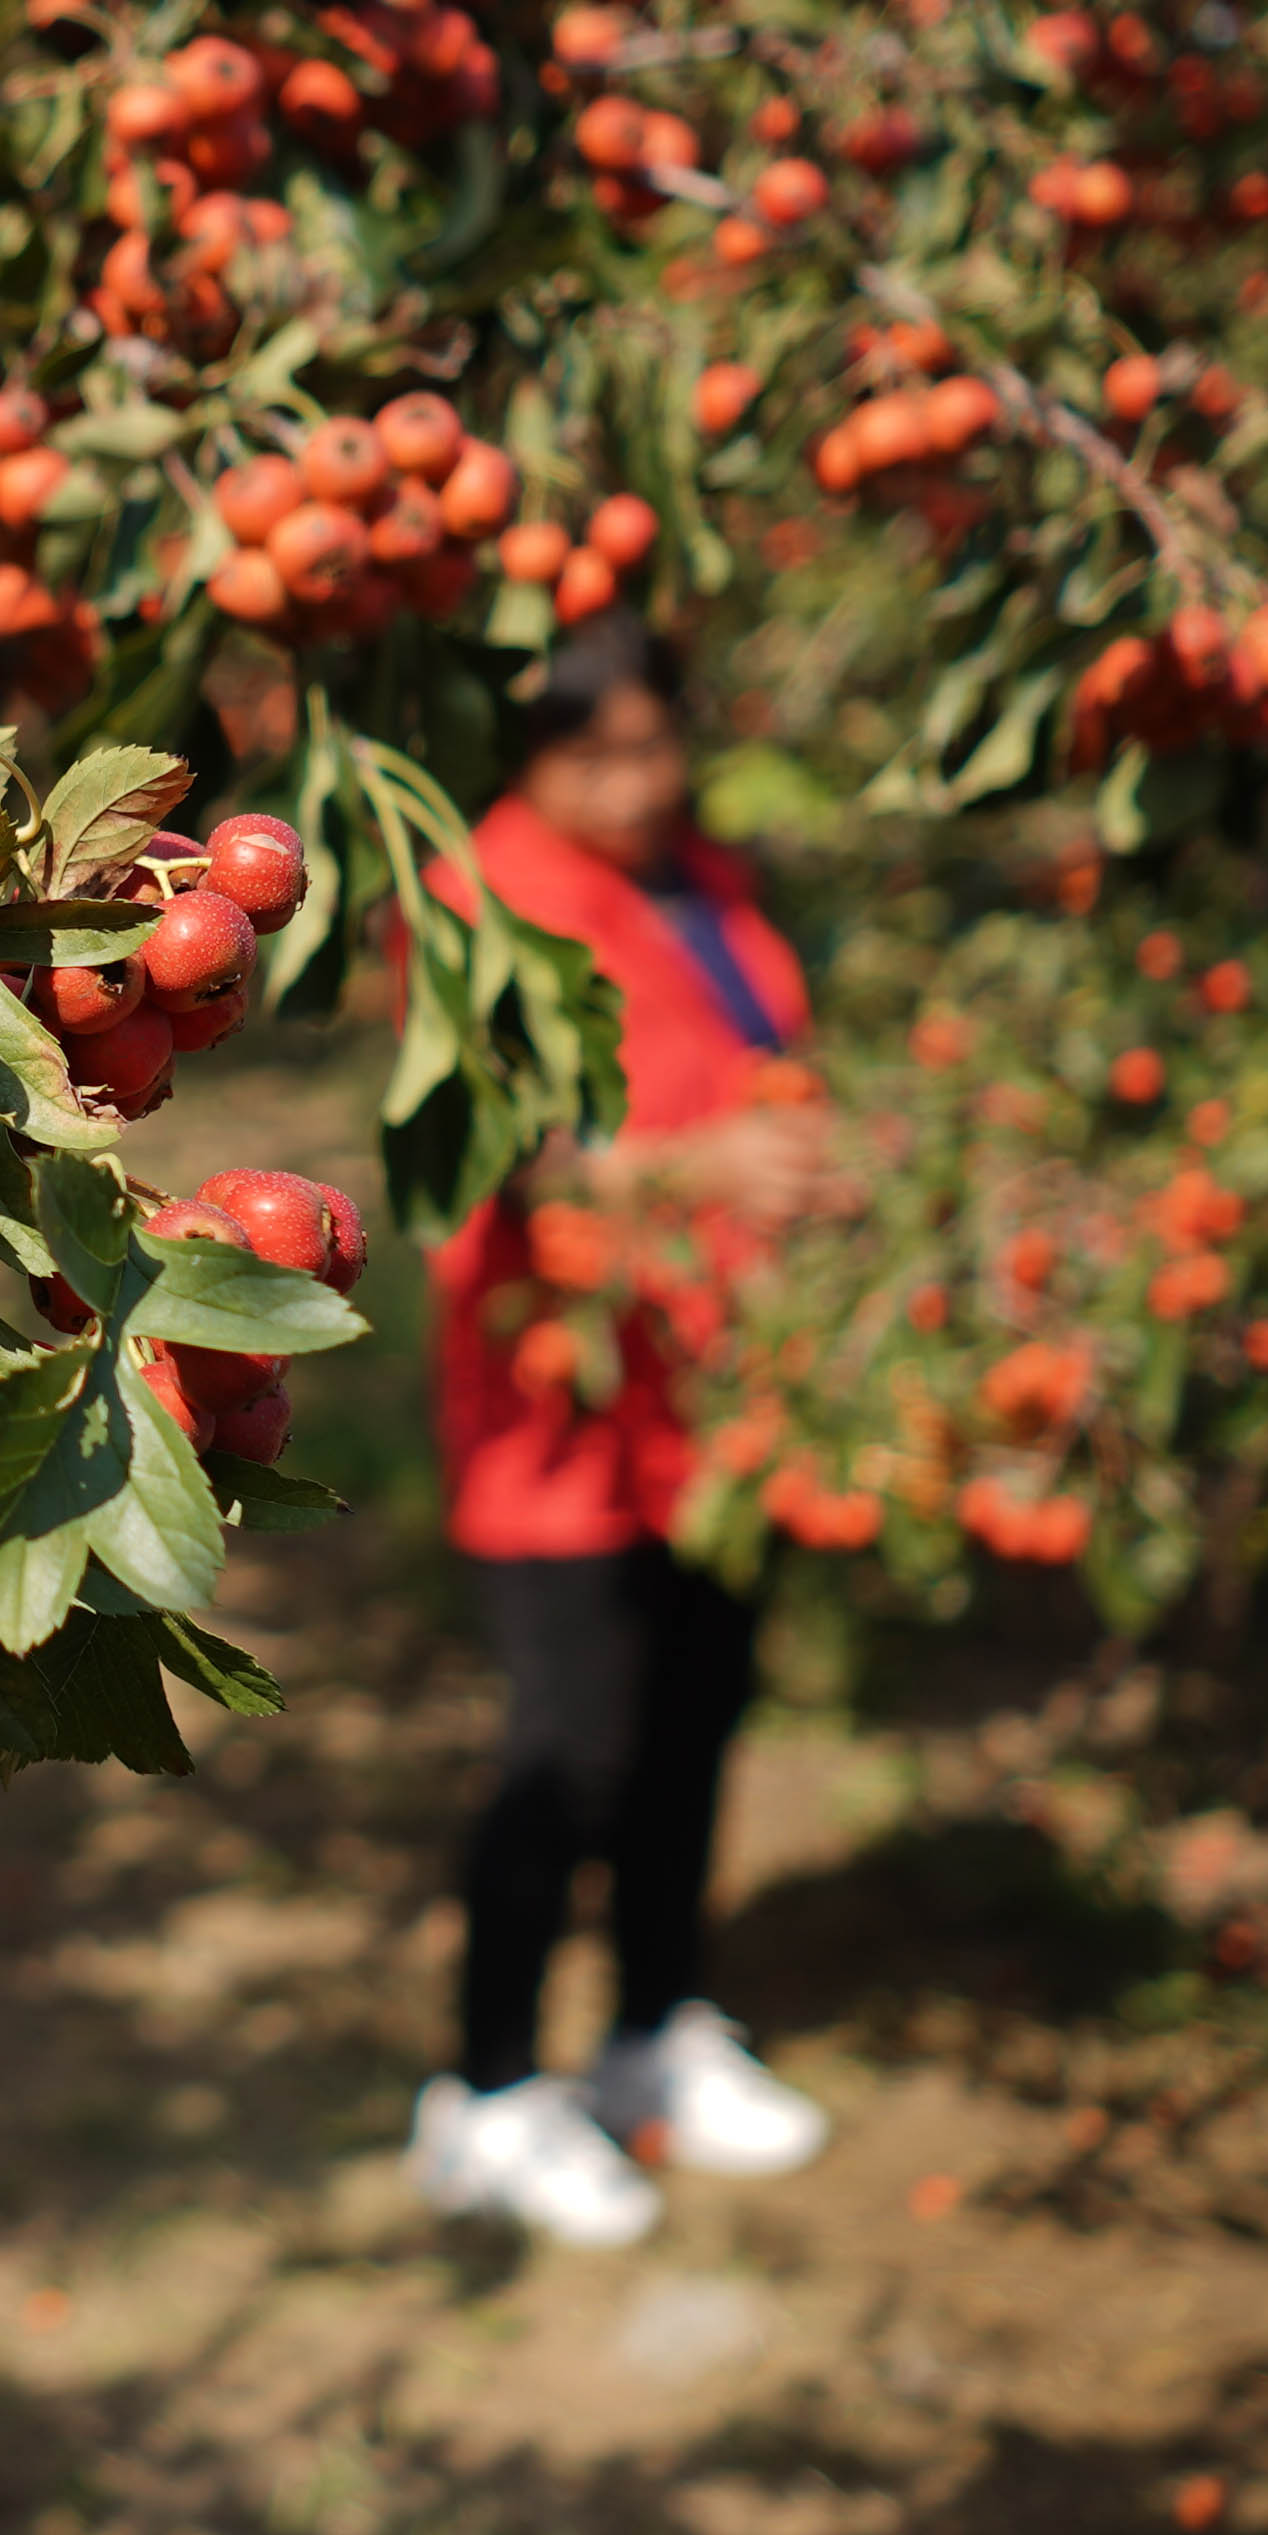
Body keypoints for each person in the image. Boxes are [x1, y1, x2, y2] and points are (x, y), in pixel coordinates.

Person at [402, 615, 858, 2250]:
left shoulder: (700, 877)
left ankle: (653, 2032)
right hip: (557, 1400)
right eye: (594, 753)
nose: (636, 781)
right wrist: (691, 1173)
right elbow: (479, 1150)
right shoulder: (482, 899)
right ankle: (486, 2088)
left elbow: (754, 1064)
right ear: (527, 757)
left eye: (657, 745)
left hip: (721, 1394)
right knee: (566, 1750)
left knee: (693, 1724)